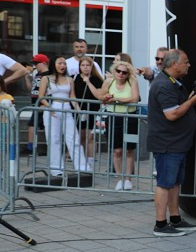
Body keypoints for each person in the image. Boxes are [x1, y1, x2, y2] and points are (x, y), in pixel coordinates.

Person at [146, 49, 196, 236]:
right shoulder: (163, 85)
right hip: (167, 143)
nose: (189, 65)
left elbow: (178, 106)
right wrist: (193, 101)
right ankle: (161, 225)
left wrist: (193, 96)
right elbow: (172, 114)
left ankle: (175, 219)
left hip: (177, 143)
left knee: (174, 183)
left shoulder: (173, 82)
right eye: (186, 62)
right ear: (174, 64)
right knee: (165, 183)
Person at [39, 56, 89, 176]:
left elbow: (72, 97)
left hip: (67, 109)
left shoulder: (69, 79)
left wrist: (78, 108)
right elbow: (41, 97)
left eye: (64, 64)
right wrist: (49, 107)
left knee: (74, 138)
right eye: (60, 63)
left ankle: (82, 167)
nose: (62, 66)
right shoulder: (46, 78)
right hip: (53, 109)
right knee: (54, 140)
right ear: (54, 65)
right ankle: (56, 169)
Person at [99, 59, 141, 190]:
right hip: (113, 117)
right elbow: (101, 96)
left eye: (124, 72)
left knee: (129, 149)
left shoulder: (132, 81)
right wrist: (107, 98)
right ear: (114, 71)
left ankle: (128, 179)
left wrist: (116, 99)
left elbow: (135, 98)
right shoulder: (108, 81)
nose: (121, 74)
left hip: (130, 117)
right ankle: (119, 178)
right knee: (116, 150)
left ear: (128, 74)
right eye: (119, 71)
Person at [73, 56, 105, 171]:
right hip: (79, 111)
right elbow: (72, 95)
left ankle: (90, 162)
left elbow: (98, 95)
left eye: (88, 65)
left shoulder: (97, 79)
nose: (85, 68)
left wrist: (88, 82)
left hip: (93, 111)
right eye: (83, 65)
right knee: (80, 137)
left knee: (90, 137)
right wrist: (77, 108)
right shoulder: (75, 78)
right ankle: (81, 161)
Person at [24, 54, 50, 154]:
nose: (34, 66)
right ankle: (32, 146)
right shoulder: (37, 75)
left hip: (43, 103)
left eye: (36, 63)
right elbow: (32, 89)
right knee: (35, 124)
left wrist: (46, 103)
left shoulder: (48, 74)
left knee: (34, 124)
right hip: (36, 102)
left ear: (44, 63)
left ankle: (32, 147)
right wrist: (27, 78)